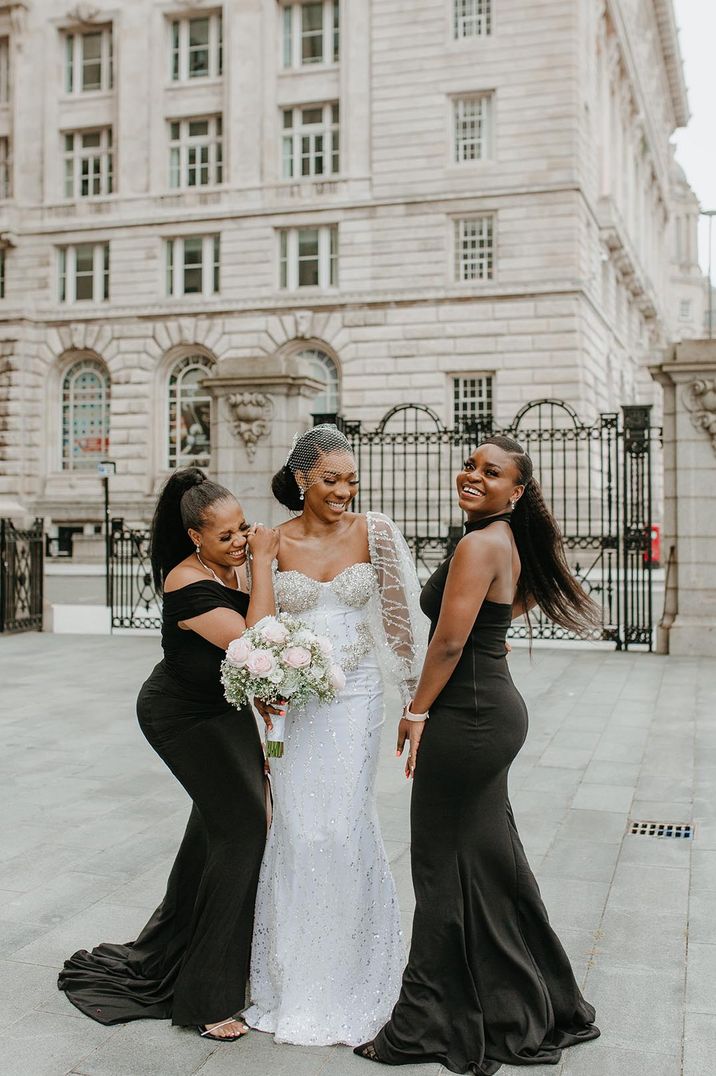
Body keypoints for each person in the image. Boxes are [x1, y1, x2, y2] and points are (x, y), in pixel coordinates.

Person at [355, 435, 601, 1074]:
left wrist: (414, 713)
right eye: (470, 464)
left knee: (441, 869)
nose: (473, 475)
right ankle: (534, 1000)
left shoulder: (479, 543)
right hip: (490, 712)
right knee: (491, 864)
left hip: (466, 720)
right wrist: (491, 642)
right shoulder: (502, 541)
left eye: (491, 473)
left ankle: (424, 1024)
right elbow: (502, 609)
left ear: (516, 492)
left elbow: (446, 643)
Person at [58, 468, 279, 1041]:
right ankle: (208, 997)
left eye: (243, 529)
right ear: (195, 539)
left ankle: (173, 952)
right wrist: (263, 565)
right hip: (180, 715)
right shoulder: (186, 582)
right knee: (244, 831)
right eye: (226, 536)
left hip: (224, 709)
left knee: (215, 829)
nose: (240, 541)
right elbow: (253, 640)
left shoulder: (226, 565)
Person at [243, 424, 429, 1047]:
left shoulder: (374, 532)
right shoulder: (273, 541)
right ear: (301, 480)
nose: (345, 490)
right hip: (298, 704)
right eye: (331, 480)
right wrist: (264, 565)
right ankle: (295, 981)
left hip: (357, 700)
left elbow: (403, 621)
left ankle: (357, 977)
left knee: (343, 823)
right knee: (298, 826)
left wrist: (415, 702)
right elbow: (261, 629)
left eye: (351, 479)